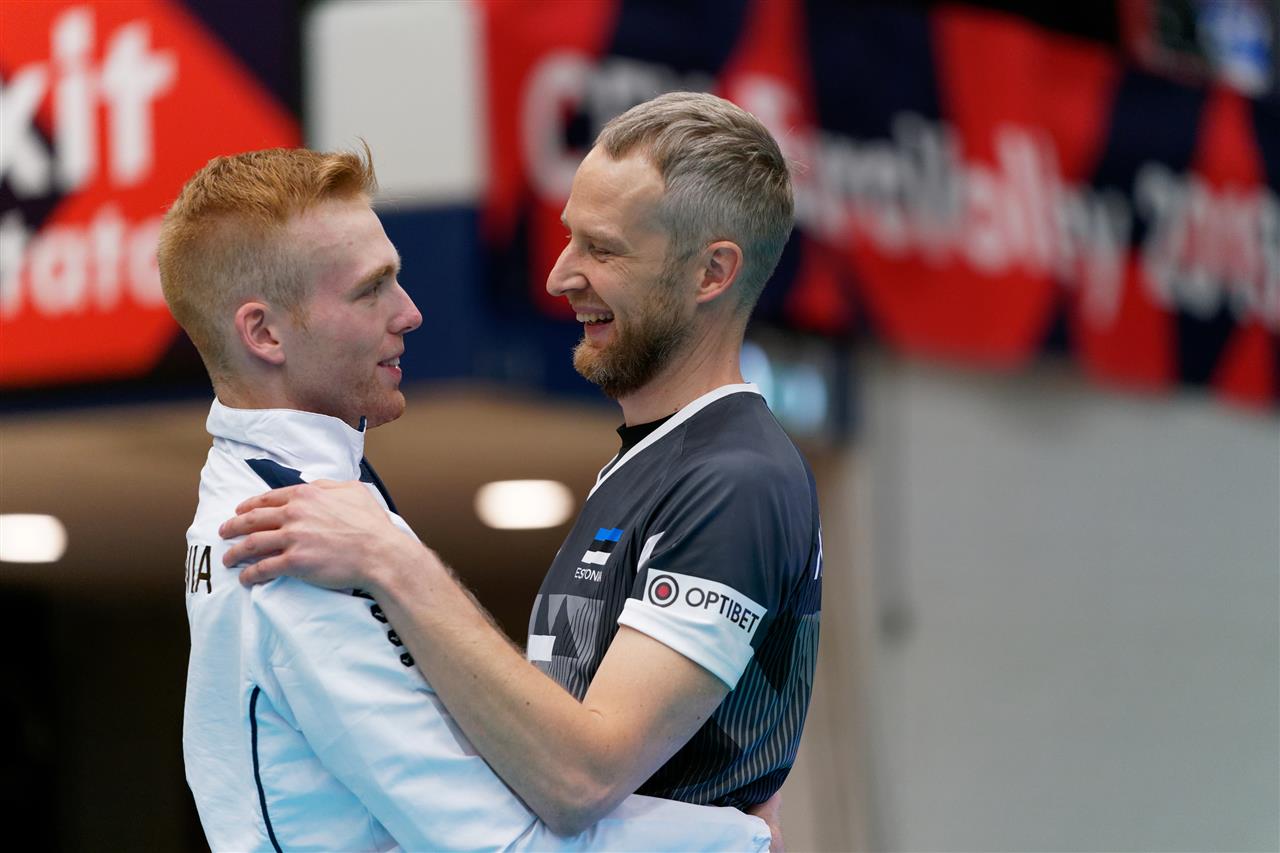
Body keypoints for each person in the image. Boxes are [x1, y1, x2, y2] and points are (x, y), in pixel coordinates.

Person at [223, 91, 822, 836]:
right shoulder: (658, 462)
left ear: (712, 273)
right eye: (568, 237)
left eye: (603, 249)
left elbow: (579, 778)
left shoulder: (734, 478)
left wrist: (391, 559)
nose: (560, 275)